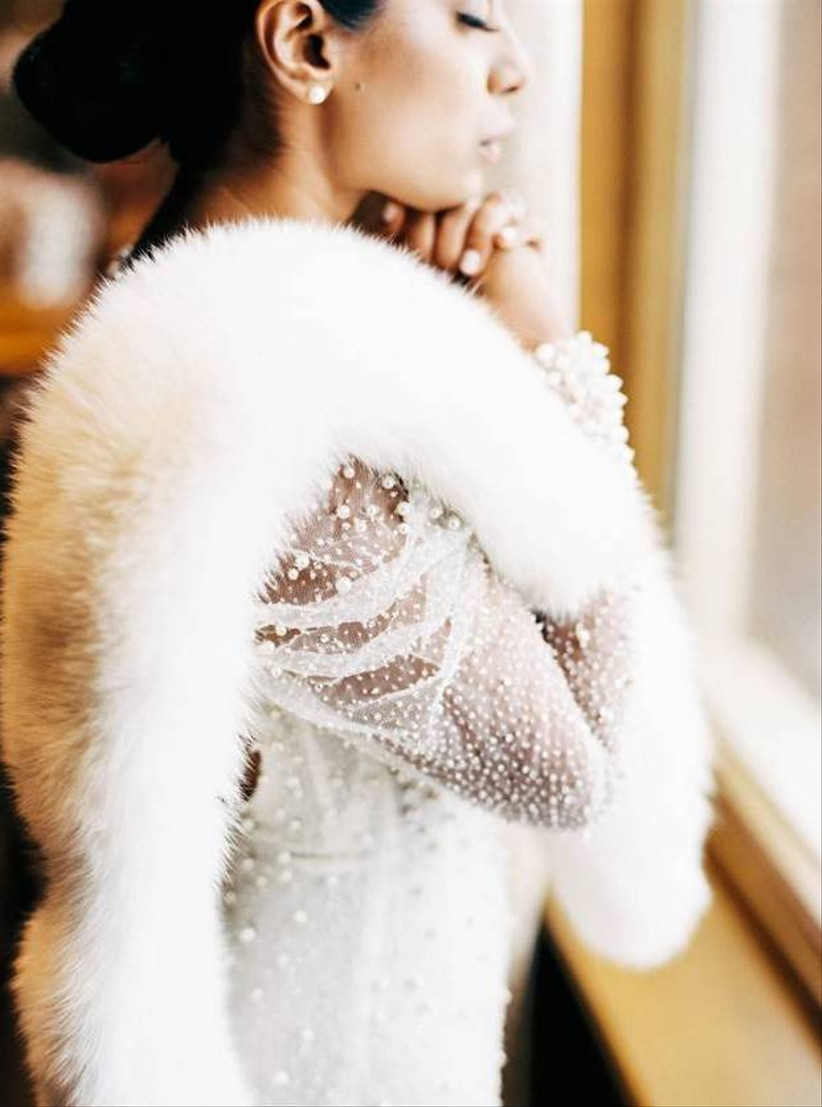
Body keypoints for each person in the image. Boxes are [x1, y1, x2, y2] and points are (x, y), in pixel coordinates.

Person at [0, 2, 717, 1105]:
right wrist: (548, 361)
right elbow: (578, 773)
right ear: (307, 43)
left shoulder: (273, 337)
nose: (515, 68)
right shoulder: (262, 416)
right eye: (473, 15)